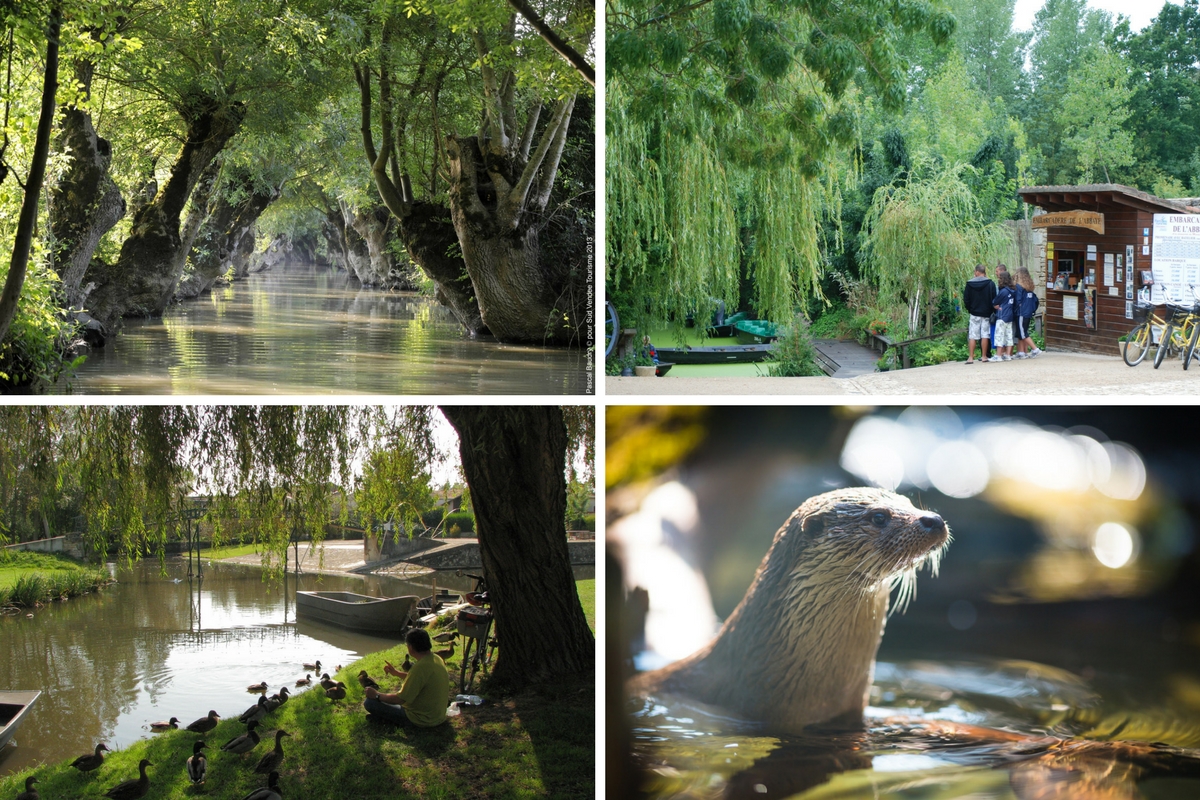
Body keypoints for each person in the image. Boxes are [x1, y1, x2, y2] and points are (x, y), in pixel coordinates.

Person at [363, 629, 450, 727]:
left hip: (422, 719)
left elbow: (400, 700)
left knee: (370, 703)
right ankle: (382, 719)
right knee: (384, 701)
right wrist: (396, 673)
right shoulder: (436, 658)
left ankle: (388, 721)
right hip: (438, 716)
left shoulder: (420, 667)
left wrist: (377, 695)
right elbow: (419, 680)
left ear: (411, 647)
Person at [962, 264, 997, 363]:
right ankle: (984, 356)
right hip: (986, 313)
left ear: (977, 272)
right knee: (985, 334)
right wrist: (991, 310)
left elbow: (966, 300)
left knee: (973, 335)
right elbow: (994, 299)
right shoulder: (990, 283)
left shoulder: (969, 284)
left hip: (974, 313)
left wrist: (970, 309)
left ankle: (971, 357)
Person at [1013, 268, 1043, 358]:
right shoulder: (1029, 287)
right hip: (1028, 313)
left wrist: (1015, 309)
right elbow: (1035, 301)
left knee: (1023, 333)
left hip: (1021, 313)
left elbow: (1017, 300)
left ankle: (1035, 349)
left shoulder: (1018, 287)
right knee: (1021, 332)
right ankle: (1021, 352)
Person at [992, 271, 1016, 361]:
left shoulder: (1003, 291)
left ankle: (998, 355)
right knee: (1009, 335)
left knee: (999, 335)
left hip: (1002, 316)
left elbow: (995, 301)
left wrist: (995, 306)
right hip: (1010, 316)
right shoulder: (1013, 290)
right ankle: (1008, 355)